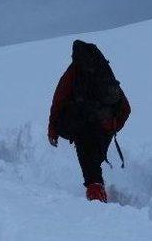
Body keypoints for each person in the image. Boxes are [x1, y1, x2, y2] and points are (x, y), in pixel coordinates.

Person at [48, 40, 131, 203]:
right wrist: (113, 125)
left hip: (83, 127)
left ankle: (97, 203)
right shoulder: (104, 71)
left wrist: (52, 129)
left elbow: (58, 100)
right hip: (106, 126)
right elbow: (126, 108)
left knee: (90, 168)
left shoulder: (74, 71)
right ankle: (98, 192)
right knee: (94, 163)